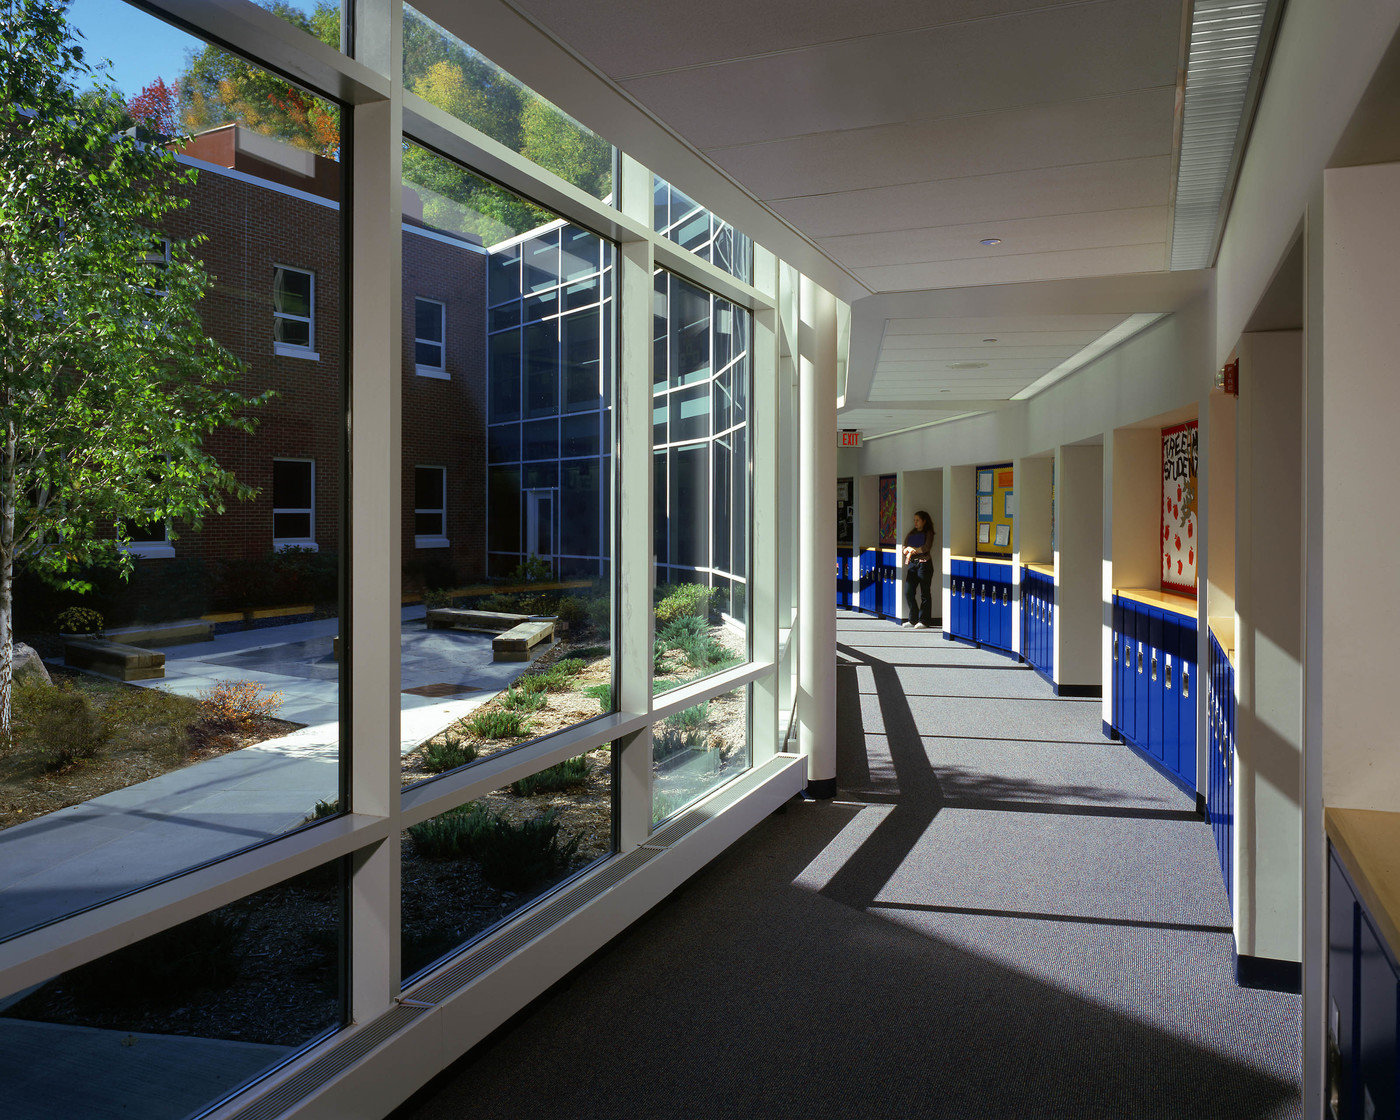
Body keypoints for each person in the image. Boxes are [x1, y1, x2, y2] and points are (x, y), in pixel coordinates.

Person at [902, 510, 935, 628]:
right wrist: (908, 550)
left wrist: (912, 549)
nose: (915, 523)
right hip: (912, 565)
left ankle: (924, 620)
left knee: (925, 593)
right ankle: (913, 619)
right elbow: (904, 548)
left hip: (924, 565)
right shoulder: (912, 533)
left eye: (917, 520)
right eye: (914, 520)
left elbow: (925, 548)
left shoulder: (928, 533)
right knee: (908, 592)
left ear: (924, 521)